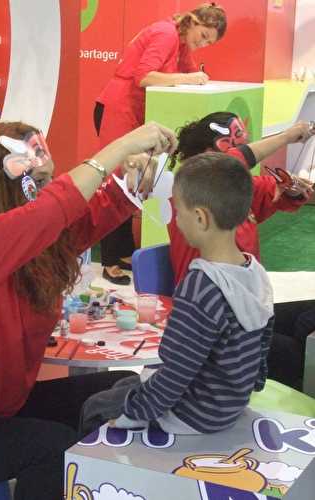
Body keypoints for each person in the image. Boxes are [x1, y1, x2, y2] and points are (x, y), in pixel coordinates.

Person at [0, 120, 177, 500]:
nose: (50, 187)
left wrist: (135, 177)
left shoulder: (37, 239)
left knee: (121, 390)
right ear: (16, 181)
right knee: (56, 448)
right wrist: (121, 145)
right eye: (42, 180)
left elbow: (85, 216)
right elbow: (56, 208)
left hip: (5, 407)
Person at [81, 153, 274, 435]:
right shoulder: (255, 271)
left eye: (178, 210)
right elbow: (263, 345)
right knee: (124, 385)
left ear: (199, 217)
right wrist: (248, 387)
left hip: (193, 415)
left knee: (94, 406)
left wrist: (132, 415)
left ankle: (83, 475)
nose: (176, 219)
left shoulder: (200, 286)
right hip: (230, 404)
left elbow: (176, 372)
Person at [167, 111, 315, 389]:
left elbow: (279, 190)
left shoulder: (233, 188)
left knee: (306, 318)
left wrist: (293, 188)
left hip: (245, 306)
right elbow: (230, 164)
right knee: (302, 353)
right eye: (233, 145)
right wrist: (286, 136)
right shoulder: (195, 189)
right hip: (221, 317)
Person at [94, 3, 227, 285]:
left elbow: (192, 75)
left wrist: (196, 77)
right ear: (192, 21)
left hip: (134, 113)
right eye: (203, 35)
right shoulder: (166, 34)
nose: (202, 43)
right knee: (118, 182)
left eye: (208, 42)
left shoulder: (180, 40)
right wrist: (189, 77)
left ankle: (122, 252)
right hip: (119, 110)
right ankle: (108, 260)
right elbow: (145, 76)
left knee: (135, 182)